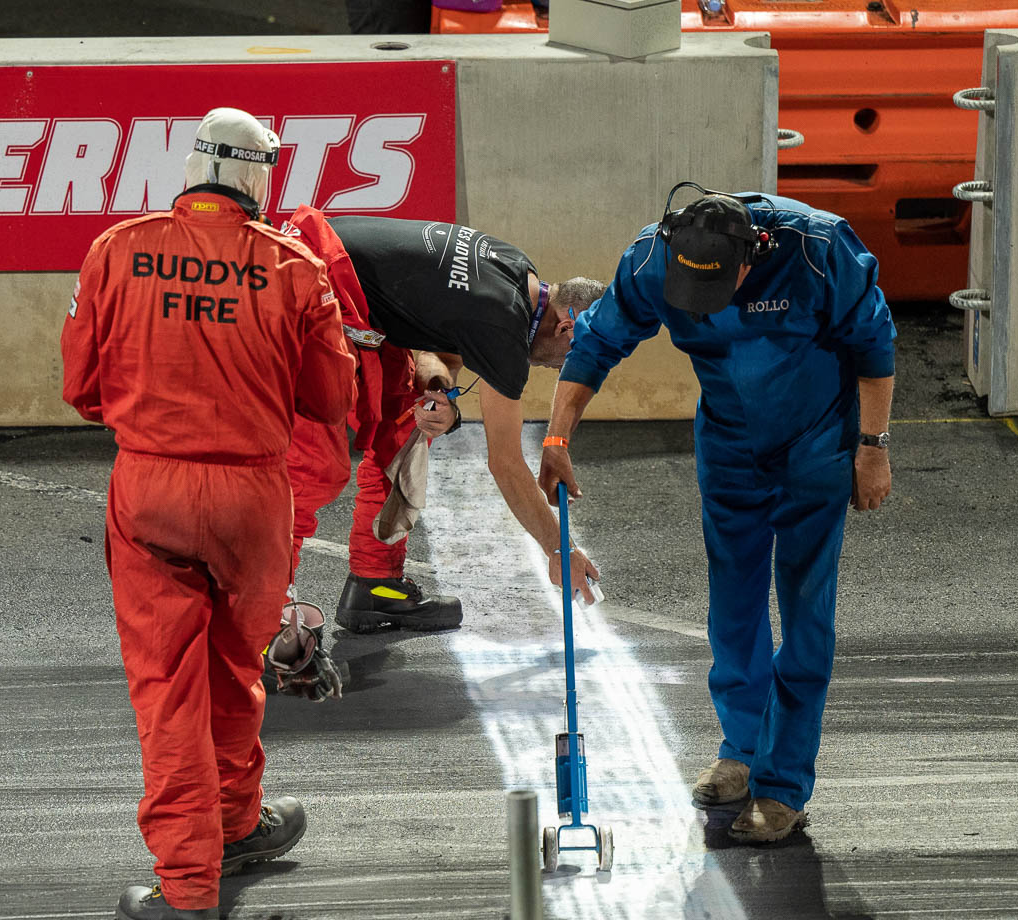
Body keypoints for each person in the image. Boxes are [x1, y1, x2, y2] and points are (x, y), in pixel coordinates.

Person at [60, 107, 356, 920]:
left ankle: (188, 887)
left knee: (167, 691)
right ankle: (235, 821)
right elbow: (333, 401)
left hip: (151, 489)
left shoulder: (116, 249)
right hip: (252, 500)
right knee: (235, 673)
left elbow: (82, 391)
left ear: (193, 169)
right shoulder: (295, 267)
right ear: (260, 179)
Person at [538, 185, 895, 843]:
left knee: (805, 608)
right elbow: (595, 345)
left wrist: (872, 449)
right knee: (731, 605)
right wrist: (557, 438)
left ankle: (783, 785)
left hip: (817, 444)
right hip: (728, 442)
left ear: (752, 258)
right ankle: (742, 749)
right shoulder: (652, 259)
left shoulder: (819, 248)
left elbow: (875, 344)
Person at [276, 209, 609, 636]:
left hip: (335, 283)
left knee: (405, 425)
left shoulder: (516, 272)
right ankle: (261, 611)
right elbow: (505, 463)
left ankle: (376, 582)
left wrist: (438, 387)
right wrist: (559, 549)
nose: (563, 372)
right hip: (306, 281)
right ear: (568, 328)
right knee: (311, 465)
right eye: (577, 361)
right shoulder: (503, 324)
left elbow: (439, 347)